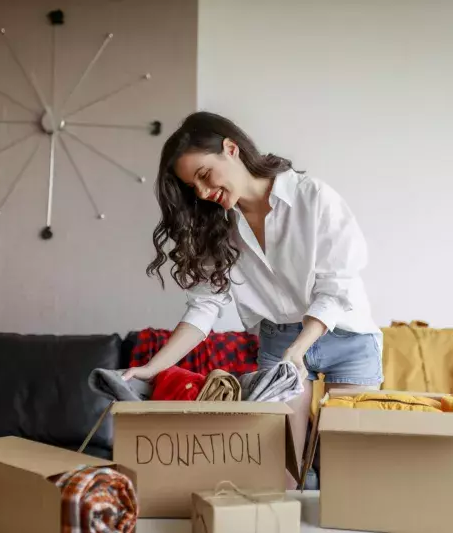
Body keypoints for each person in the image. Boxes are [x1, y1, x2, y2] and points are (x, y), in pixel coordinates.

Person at [123, 111, 382, 486]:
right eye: (191, 187)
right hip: (278, 340)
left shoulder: (313, 198)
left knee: (351, 477)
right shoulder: (217, 226)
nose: (202, 192)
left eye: (203, 175)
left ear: (231, 149)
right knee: (279, 474)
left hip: (348, 337)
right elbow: (203, 308)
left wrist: (300, 348)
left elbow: (335, 286)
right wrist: (151, 368)